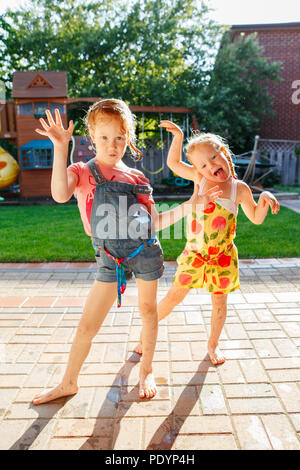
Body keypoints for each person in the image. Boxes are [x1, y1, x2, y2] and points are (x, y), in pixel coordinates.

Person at [32, 101, 222, 404]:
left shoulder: (137, 178)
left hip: (145, 251)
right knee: (87, 325)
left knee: (149, 312)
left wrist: (190, 207)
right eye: (104, 137)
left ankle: (146, 369)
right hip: (110, 259)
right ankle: (68, 382)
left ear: (129, 137)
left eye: (120, 137)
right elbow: (59, 194)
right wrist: (60, 147)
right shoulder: (82, 171)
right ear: (92, 136)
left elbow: (153, 223)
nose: (112, 145)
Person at [135, 120, 280, 366]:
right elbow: (172, 163)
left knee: (219, 305)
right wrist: (179, 137)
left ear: (224, 153)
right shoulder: (199, 180)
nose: (210, 165)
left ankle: (213, 345)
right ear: (197, 170)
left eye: (213, 157)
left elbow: (255, 218)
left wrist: (263, 198)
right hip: (195, 255)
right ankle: (143, 338)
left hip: (222, 258)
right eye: (202, 164)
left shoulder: (239, 189)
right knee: (172, 298)